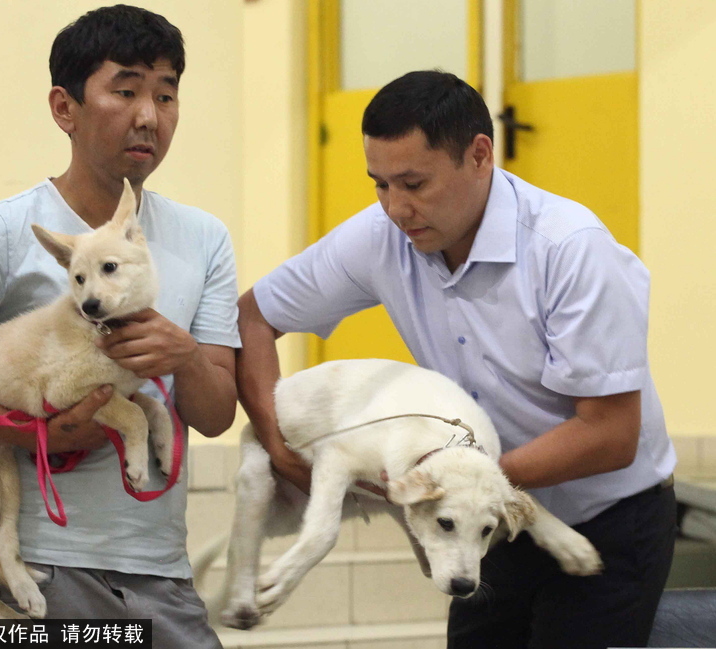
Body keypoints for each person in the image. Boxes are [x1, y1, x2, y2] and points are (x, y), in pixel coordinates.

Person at [236, 70, 677, 649]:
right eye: (380, 185)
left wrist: (460, 483)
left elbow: (612, 432)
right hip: (487, 525)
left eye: (415, 183)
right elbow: (252, 317)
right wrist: (277, 445)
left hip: (608, 519)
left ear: (479, 155)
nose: (397, 208)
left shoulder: (569, 248)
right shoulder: (382, 235)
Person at [0, 5, 238, 646]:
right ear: (64, 108)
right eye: (125, 91)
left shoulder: (205, 238)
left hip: (161, 569)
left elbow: (215, 416)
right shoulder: (5, 231)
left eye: (166, 94)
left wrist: (184, 358)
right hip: (37, 569)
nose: (149, 116)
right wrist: (34, 433)